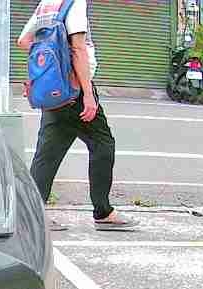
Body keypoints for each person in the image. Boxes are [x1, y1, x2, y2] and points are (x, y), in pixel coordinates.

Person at [18, 0, 137, 231]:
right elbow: (78, 49)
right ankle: (103, 212)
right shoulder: (75, 3)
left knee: (47, 155)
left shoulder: (47, 5)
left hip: (55, 91)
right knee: (103, 144)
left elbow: (24, 41)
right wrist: (88, 94)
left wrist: (50, 70)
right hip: (75, 90)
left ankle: (33, 214)